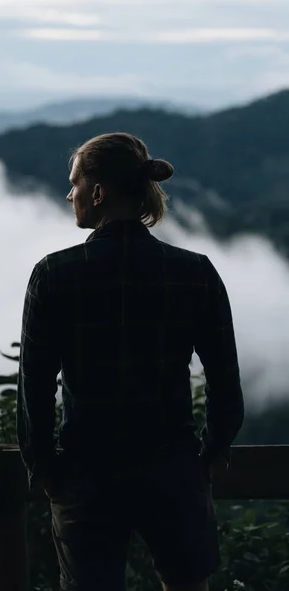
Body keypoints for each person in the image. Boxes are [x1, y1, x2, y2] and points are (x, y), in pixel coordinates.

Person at [17, 132, 244, 591]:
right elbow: (224, 376)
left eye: (75, 184)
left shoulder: (55, 275)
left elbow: (35, 387)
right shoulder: (195, 273)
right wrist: (214, 451)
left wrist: (43, 467)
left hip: (87, 474)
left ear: (98, 193)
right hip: (173, 468)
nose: (69, 194)